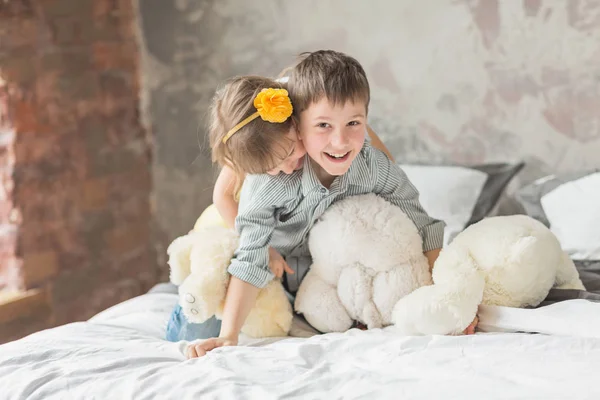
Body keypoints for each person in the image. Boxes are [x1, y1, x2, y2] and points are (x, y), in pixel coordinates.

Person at [186, 50, 468, 359]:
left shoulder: (372, 167)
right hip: (275, 263)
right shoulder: (268, 178)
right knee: (202, 314)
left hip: (321, 276)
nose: (340, 141)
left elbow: (423, 227)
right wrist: (228, 336)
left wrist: (448, 299)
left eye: (353, 123)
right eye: (322, 126)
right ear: (297, 124)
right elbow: (249, 255)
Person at [165, 73, 396, 342]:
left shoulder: (313, 120)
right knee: (200, 316)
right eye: (269, 169)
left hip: (288, 239)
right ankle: (189, 298)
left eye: (288, 155)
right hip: (228, 224)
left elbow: (386, 165)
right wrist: (266, 248)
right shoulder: (252, 138)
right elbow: (223, 198)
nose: (283, 169)